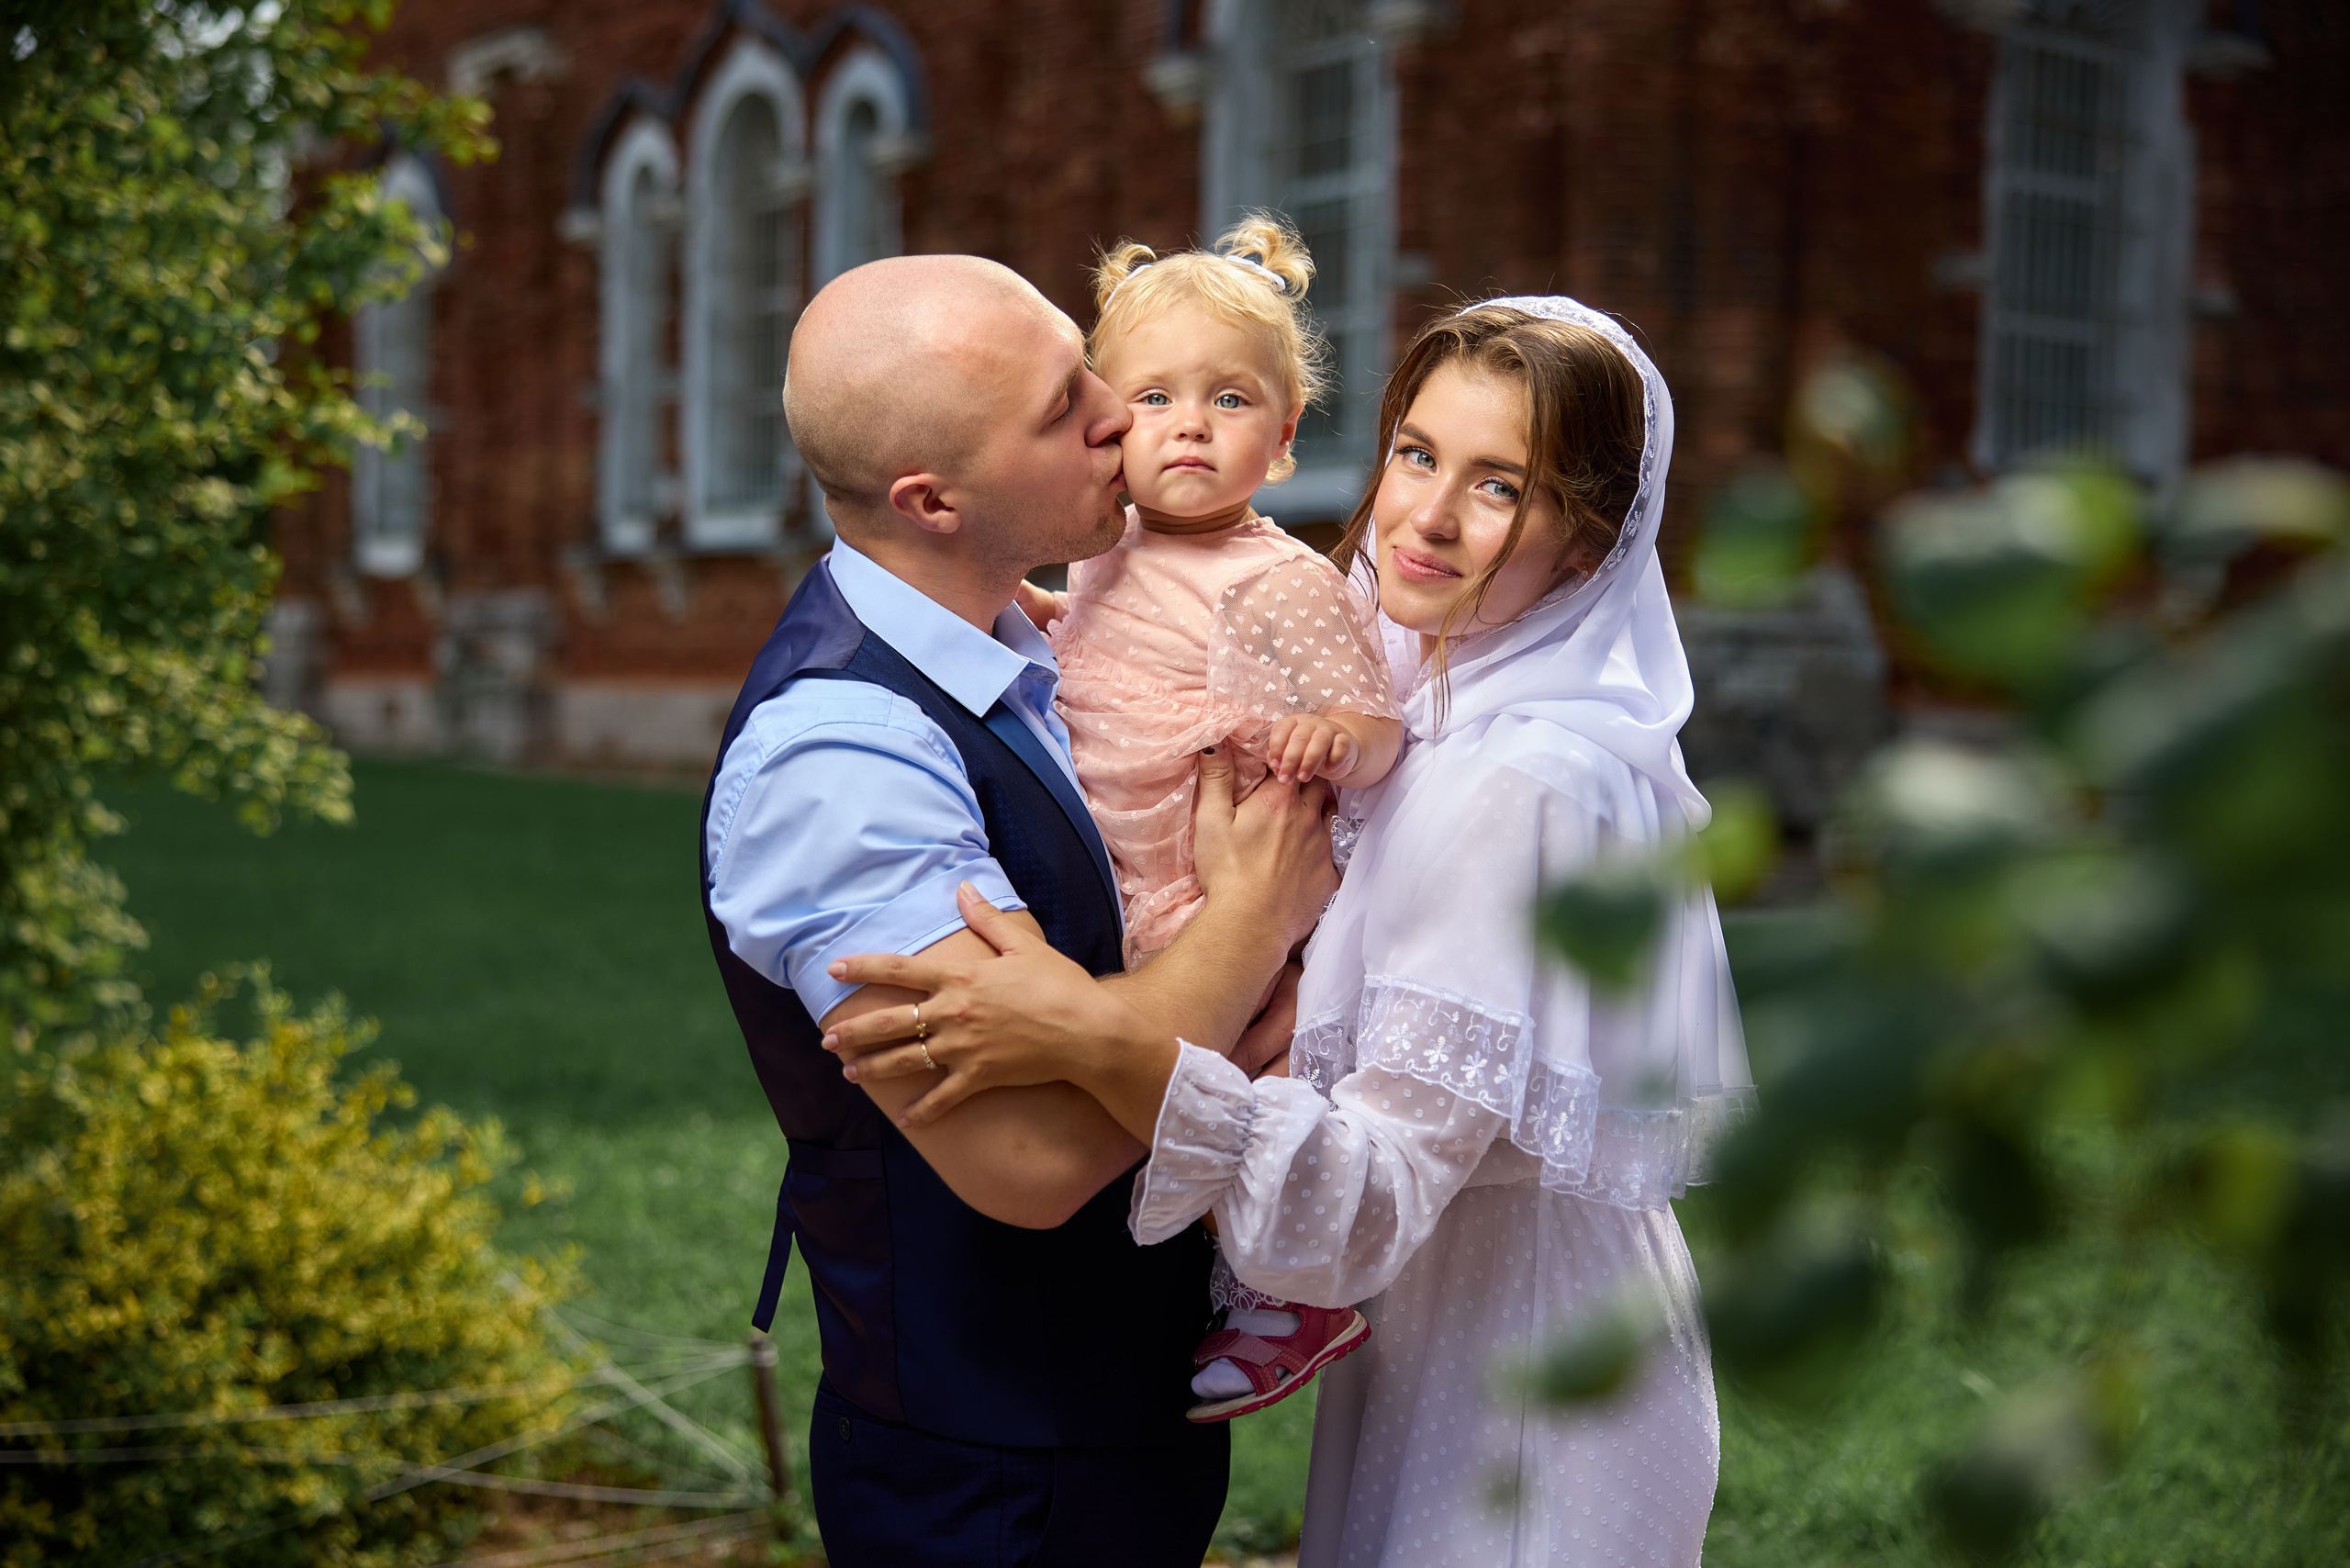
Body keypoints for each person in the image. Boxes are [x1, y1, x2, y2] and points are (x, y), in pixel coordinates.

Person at [822, 297, 1758, 1567]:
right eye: (1418, 456)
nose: (1426, 518)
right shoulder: (1420, 683)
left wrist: (1095, 1036)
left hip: (1529, 1401)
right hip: (1429, 1364)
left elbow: (1365, 1207)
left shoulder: (1528, 781)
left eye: (1503, 487)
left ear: (1590, 544)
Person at [698, 252, 1337, 1568]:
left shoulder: (1033, 636)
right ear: (934, 499)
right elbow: (1035, 1157)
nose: (1124, 414)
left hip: (1112, 1434)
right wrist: (1255, 921)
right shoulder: (841, 764)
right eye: (1066, 407)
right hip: (994, 1489)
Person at [1016, 214, 1402, 1421]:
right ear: (1104, 424)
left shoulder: (1278, 580)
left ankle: (1293, 1291)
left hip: (1205, 887)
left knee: (1255, 1083)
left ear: (1283, 442)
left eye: (1230, 400)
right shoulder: (1101, 555)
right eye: (1155, 397)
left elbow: (1380, 723)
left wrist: (1333, 736)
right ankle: (1170, 1288)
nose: (1189, 423)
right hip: (1116, 881)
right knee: (1138, 1095)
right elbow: (1093, 651)